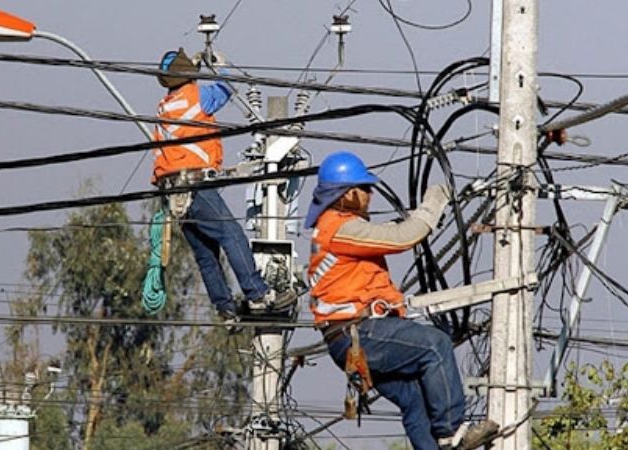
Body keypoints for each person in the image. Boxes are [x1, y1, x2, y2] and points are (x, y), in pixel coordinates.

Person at [305, 151, 498, 450]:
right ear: (347, 193)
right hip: (359, 333)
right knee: (435, 345)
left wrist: (415, 220)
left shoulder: (338, 227)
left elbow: (393, 233)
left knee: (415, 400)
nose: (370, 195)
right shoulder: (340, 227)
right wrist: (434, 201)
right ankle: (452, 433)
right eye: (364, 188)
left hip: (349, 339)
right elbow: (403, 237)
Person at [153, 48, 294, 325]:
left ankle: (225, 310)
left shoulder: (165, 106)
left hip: (171, 193)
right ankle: (258, 294)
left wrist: (193, 68)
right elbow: (226, 87)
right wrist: (221, 65)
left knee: (205, 253)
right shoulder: (195, 97)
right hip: (194, 186)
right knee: (231, 235)